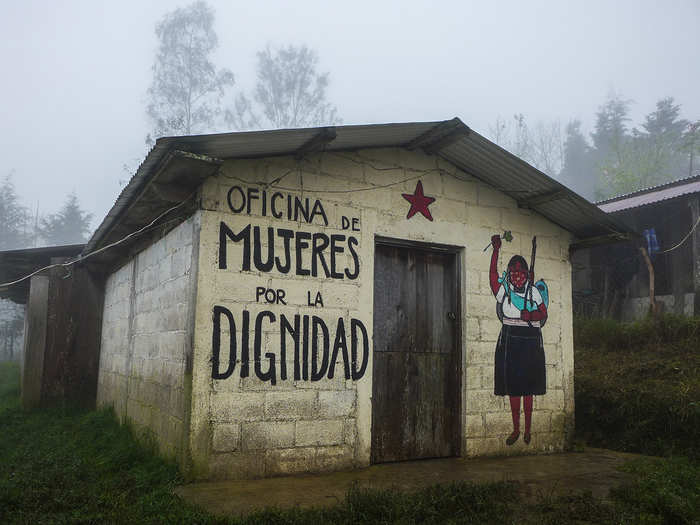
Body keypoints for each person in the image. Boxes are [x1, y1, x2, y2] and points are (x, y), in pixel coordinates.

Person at [488, 234, 547, 445]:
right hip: (510, 339)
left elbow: (543, 313)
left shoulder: (534, 292)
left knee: (528, 387)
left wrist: (530, 316)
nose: (517, 276)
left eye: (521, 273)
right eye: (513, 273)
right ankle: (515, 429)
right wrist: (496, 251)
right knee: (514, 387)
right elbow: (493, 278)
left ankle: (529, 429)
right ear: (510, 275)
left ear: (527, 274)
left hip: (530, 340)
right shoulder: (505, 291)